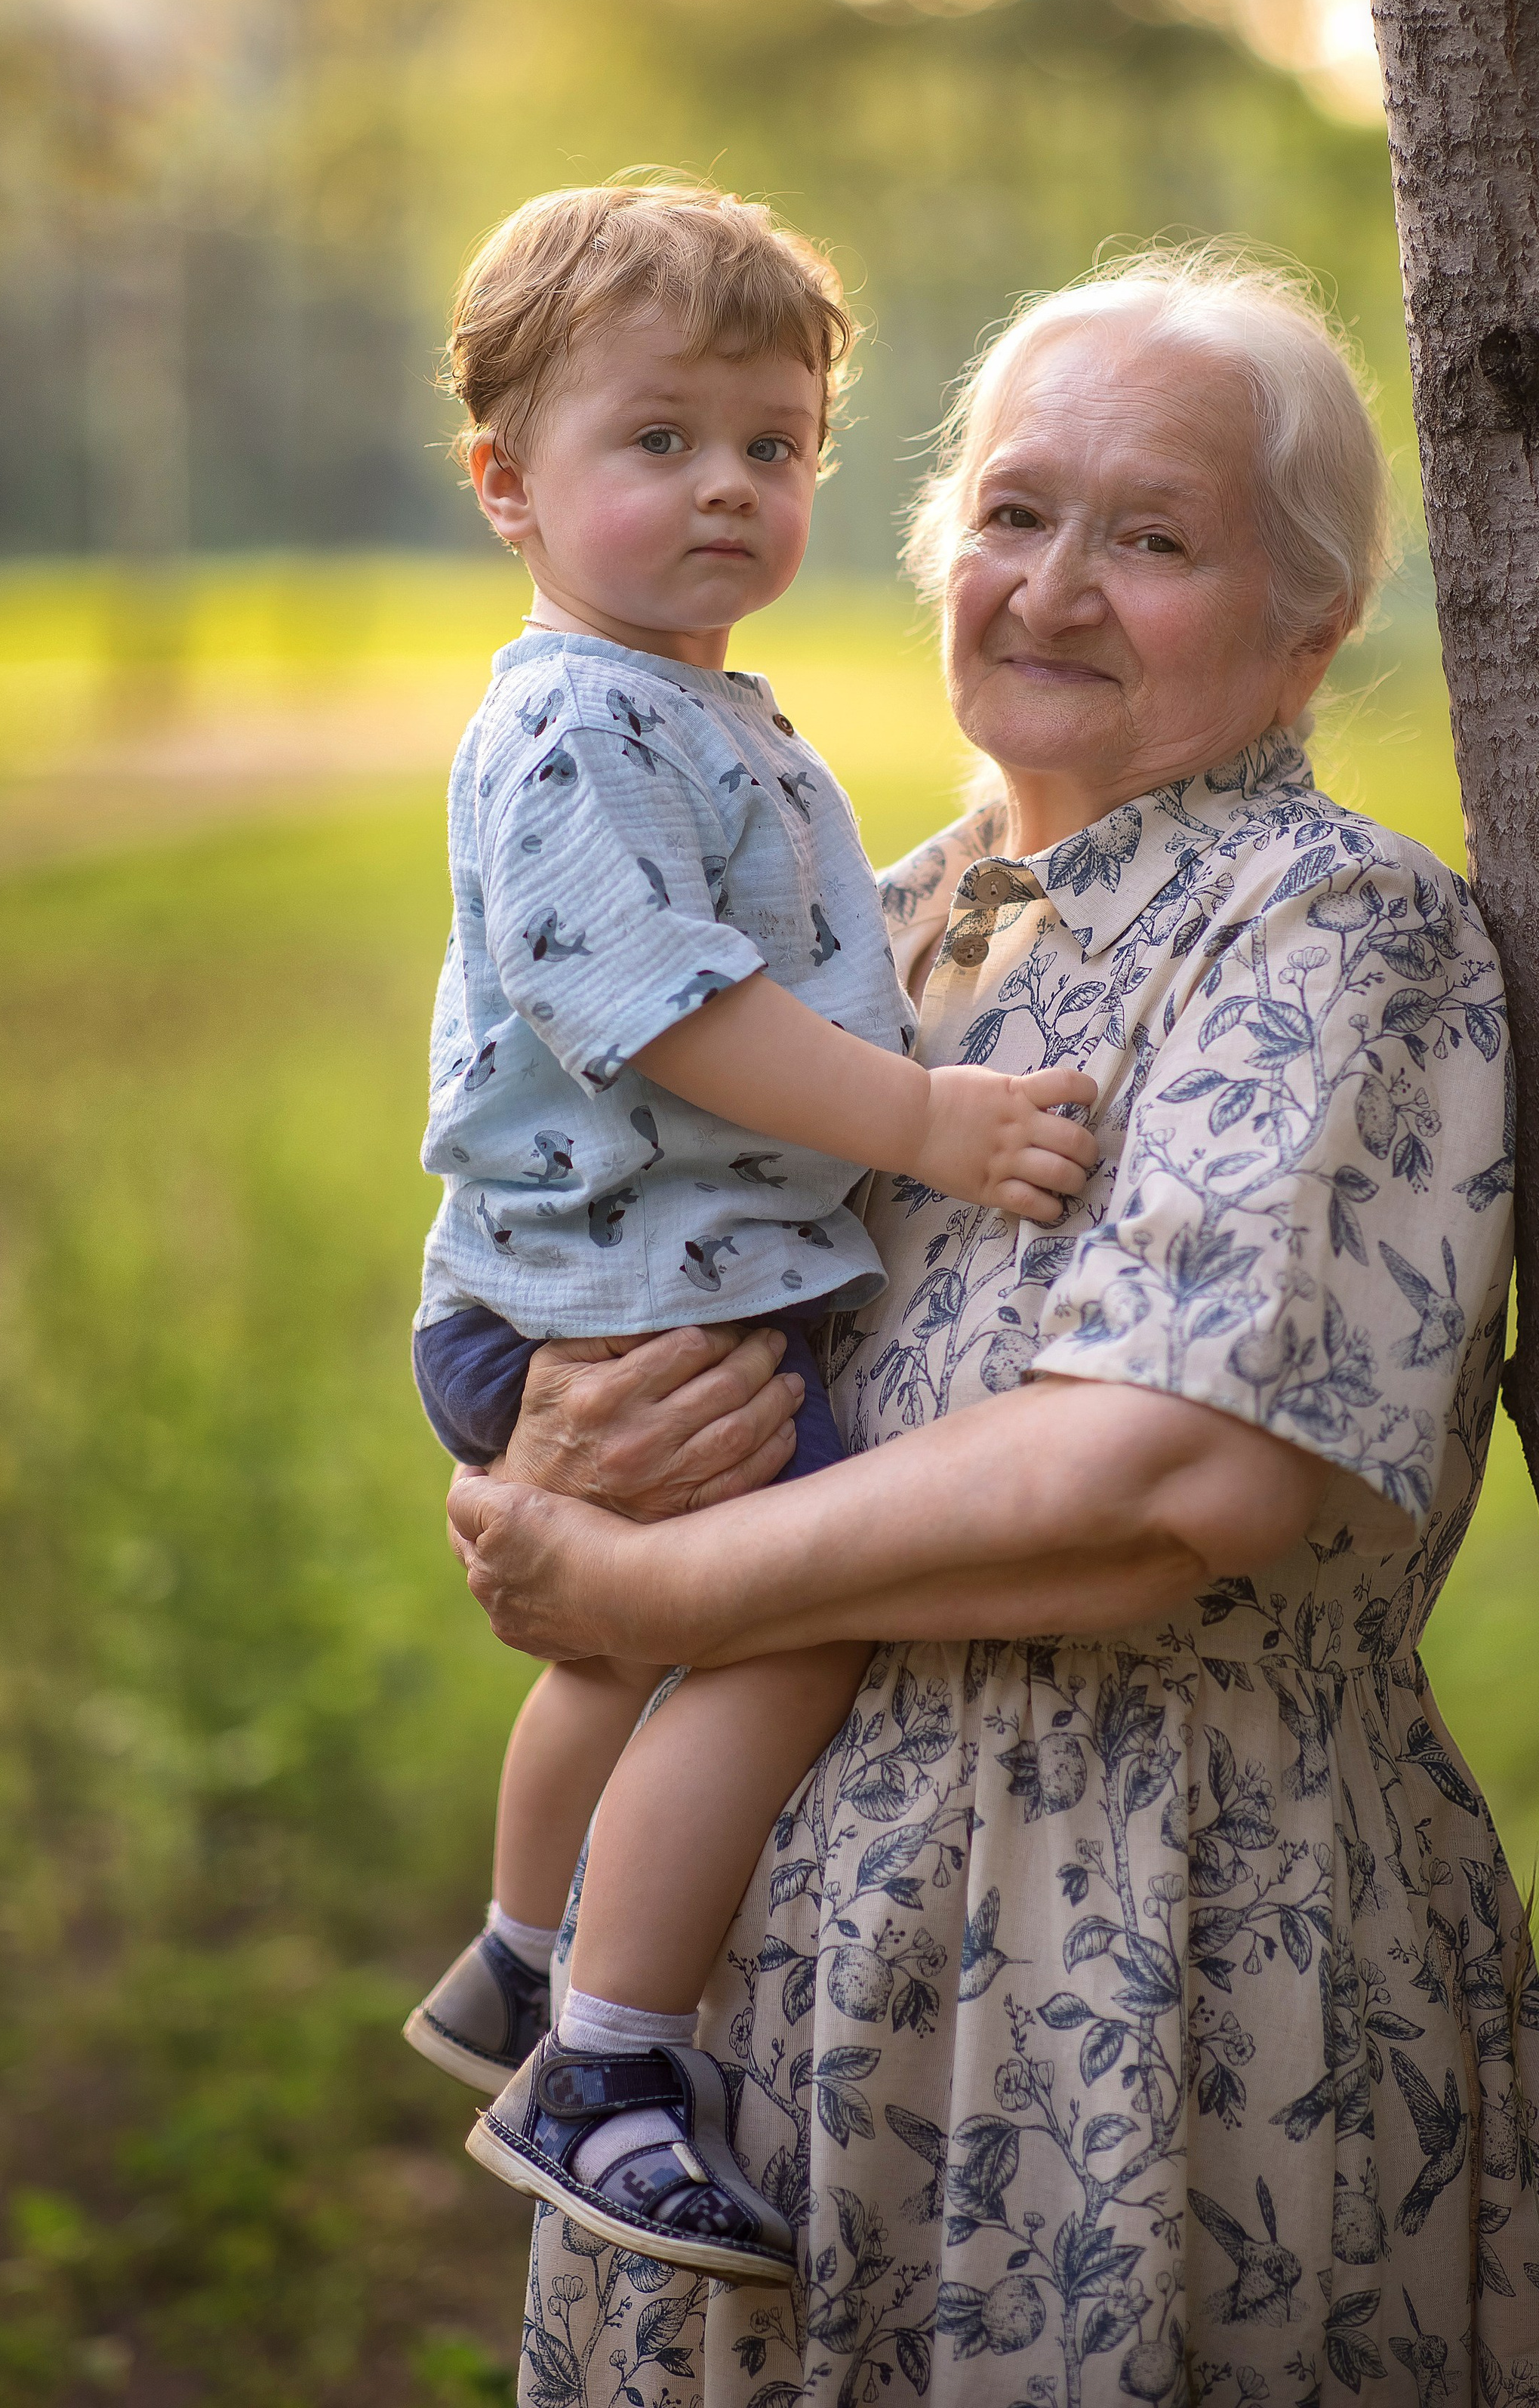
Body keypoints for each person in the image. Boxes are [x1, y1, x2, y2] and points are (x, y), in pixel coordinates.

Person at [451, 248, 1539, 2407]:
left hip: (1147, 1958)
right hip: (742, 2022)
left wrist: (647, 1578)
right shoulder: (858, 949)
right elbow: (587, 1243)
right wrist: (536, 1459)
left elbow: (1178, 1476)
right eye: (1015, 514)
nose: (1056, 586)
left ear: (1308, 623)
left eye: (1152, 540)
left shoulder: (1334, 927)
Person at [404, 180, 1097, 2284]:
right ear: (507, 487)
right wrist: (925, 1126)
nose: (729, 487)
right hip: (615, 1303)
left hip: (632, 1286)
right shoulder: (577, 724)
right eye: (661, 439)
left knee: (626, 1632)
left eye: (774, 446)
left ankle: (523, 1960)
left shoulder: (680, 703)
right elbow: (673, 1010)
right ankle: (607, 2065)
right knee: (777, 1623)